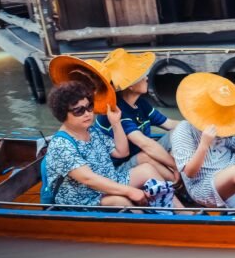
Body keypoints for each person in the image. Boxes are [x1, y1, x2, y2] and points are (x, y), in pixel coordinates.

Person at [44, 81, 169, 210]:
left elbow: (122, 152)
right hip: (84, 199)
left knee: (147, 169)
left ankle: (178, 212)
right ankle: (148, 226)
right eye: (78, 111)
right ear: (62, 113)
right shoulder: (61, 145)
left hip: (109, 181)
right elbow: (88, 179)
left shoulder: (92, 131)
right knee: (119, 200)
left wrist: (115, 123)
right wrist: (129, 191)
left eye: (89, 107)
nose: (87, 113)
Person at [170, 72, 235, 215]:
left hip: (230, 164)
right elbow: (190, 173)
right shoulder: (183, 130)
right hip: (204, 184)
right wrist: (204, 144)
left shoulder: (225, 120)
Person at [94, 49, 179, 181]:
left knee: (181, 130)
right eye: (142, 76)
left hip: (141, 154)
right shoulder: (115, 111)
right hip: (119, 168)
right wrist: (176, 166)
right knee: (147, 156)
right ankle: (178, 185)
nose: (146, 78)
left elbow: (169, 124)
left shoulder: (140, 103)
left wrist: (197, 125)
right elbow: (145, 144)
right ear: (130, 86)